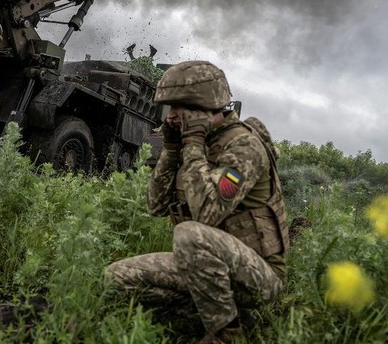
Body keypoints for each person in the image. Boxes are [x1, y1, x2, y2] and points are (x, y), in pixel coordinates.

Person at [104, 60, 289, 343]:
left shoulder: (243, 147)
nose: (171, 116)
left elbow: (206, 214)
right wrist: (171, 149)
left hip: (257, 276)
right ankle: (210, 312)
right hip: (207, 270)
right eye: (170, 108)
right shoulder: (193, 142)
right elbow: (156, 206)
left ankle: (229, 335)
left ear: (206, 106)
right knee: (116, 278)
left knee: (189, 233)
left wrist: (191, 144)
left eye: (179, 108)